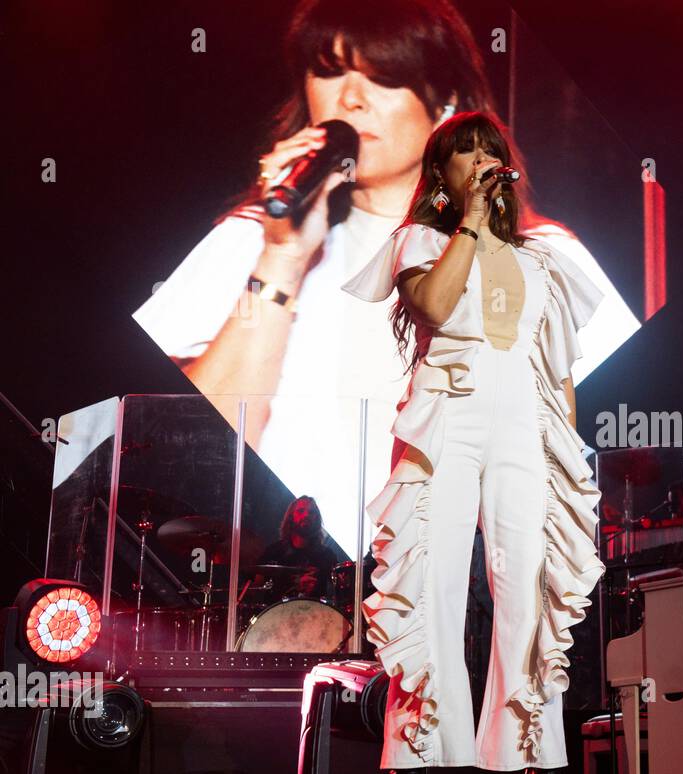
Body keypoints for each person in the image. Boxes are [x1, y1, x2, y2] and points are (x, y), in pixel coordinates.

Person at [131, 0, 640, 549]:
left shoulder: (538, 257)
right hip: (271, 590)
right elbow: (189, 462)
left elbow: (620, 458)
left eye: (383, 78)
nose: (350, 99)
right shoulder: (250, 239)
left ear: (445, 103)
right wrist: (283, 259)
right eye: (329, 72)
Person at [342, 111, 605, 774]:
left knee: (530, 604)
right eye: (466, 154)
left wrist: (566, 464)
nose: (484, 161)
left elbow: (559, 375)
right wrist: (468, 225)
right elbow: (431, 306)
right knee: (428, 598)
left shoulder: (544, 262)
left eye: (492, 151)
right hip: (445, 427)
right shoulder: (424, 242)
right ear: (441, 177)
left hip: (524, 430)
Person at [256, 495, 338, 599]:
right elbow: (256, 589)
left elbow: (336, 593)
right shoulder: (274, 552)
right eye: (300, 511)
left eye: (311, 512)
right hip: (278, 613)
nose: (306, 515)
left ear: (316, 518)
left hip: (317, 613)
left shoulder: (327, 556)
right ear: (291, 517)